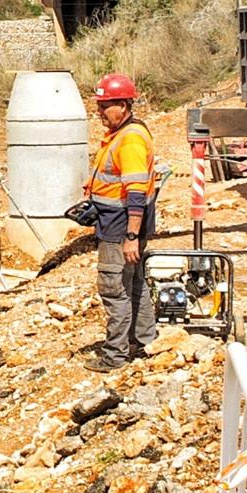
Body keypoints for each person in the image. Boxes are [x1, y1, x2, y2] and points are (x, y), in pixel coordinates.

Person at [81, 73, 157, 372]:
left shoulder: (130, 140)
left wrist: (130, 236)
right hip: (118, 224)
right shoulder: (125, 133)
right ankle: (145, 342)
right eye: (98, 105)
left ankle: (114, 355)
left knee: (115, 289)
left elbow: (136, 193)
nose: (99, 112)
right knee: (136, 284)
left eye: (105, 106)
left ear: (124, 105)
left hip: (120, 228)